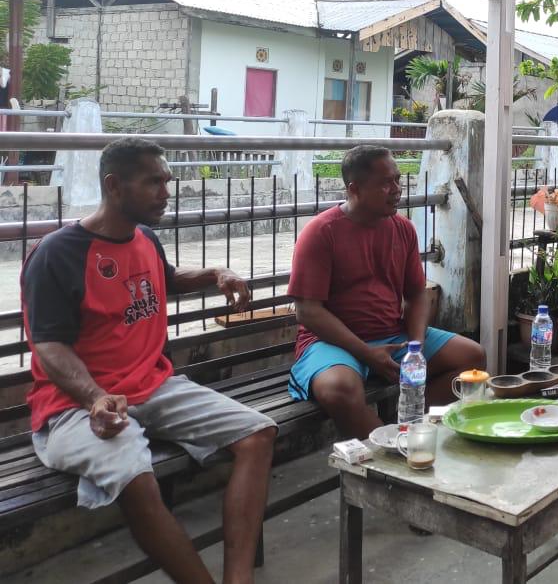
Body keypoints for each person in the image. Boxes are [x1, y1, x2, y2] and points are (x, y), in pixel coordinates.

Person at [21, 137, 277, 584]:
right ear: (113, 186)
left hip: (154, 386)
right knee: (137, 477)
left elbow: (168, 277)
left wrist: (217, 272)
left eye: (167, 181)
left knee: (258, 434)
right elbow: (49, 346)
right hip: (76, 406)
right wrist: (96, 397)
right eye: (153, 182)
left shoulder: (144, 238)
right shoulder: (57, 254)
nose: (165, 193)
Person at [287, 145, 485, 439]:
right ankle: (389, 449)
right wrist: (367, 353)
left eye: (397, 180)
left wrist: (416, 348)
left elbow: (416, 294)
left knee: (472, 357)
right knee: (339, 390)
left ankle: (406, 428)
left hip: (393, 335)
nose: (396, 189)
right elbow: (308, 311)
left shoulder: (403, 228)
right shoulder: (320, 232)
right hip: (332, 343)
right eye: (385, 183)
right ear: (354, 189)